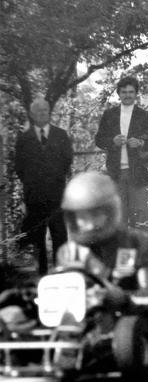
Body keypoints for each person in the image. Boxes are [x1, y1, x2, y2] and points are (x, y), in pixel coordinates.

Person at [56, 172, 148, 318]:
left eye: (96, 215)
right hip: (82, 327)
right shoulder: (68, 253)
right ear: (73, 219)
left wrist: (121, 298)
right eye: (82, 217)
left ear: (111, 212)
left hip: (130, 324)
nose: (89, 224)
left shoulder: (142, 245)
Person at [95, 76, 148, 231]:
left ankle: (142, 254)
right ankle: (122, 255)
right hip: (115, 173)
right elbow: (99, 139)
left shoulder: (144, 116)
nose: (127, 95)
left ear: (136, 94)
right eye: (124, 92)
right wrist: (112, 141)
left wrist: (141, 142)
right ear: (118, 93)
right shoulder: (109, 114)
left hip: (137, 172)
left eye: (131, 92)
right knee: (118, 219)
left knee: (140, 218)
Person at [14, 97, 73, 275]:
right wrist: (33, 185)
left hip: (57, 194)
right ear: (32, 114)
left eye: (45, 110)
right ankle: (41, 275)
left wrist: (54, 179)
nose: (42, 113)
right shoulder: (24, 139)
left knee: (59, 235)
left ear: (49, 112)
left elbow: (67, 161)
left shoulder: (61, 135)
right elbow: (19, 167)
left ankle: (61, 272)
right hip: (34, 196)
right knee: (37, 237)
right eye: (38, 111)